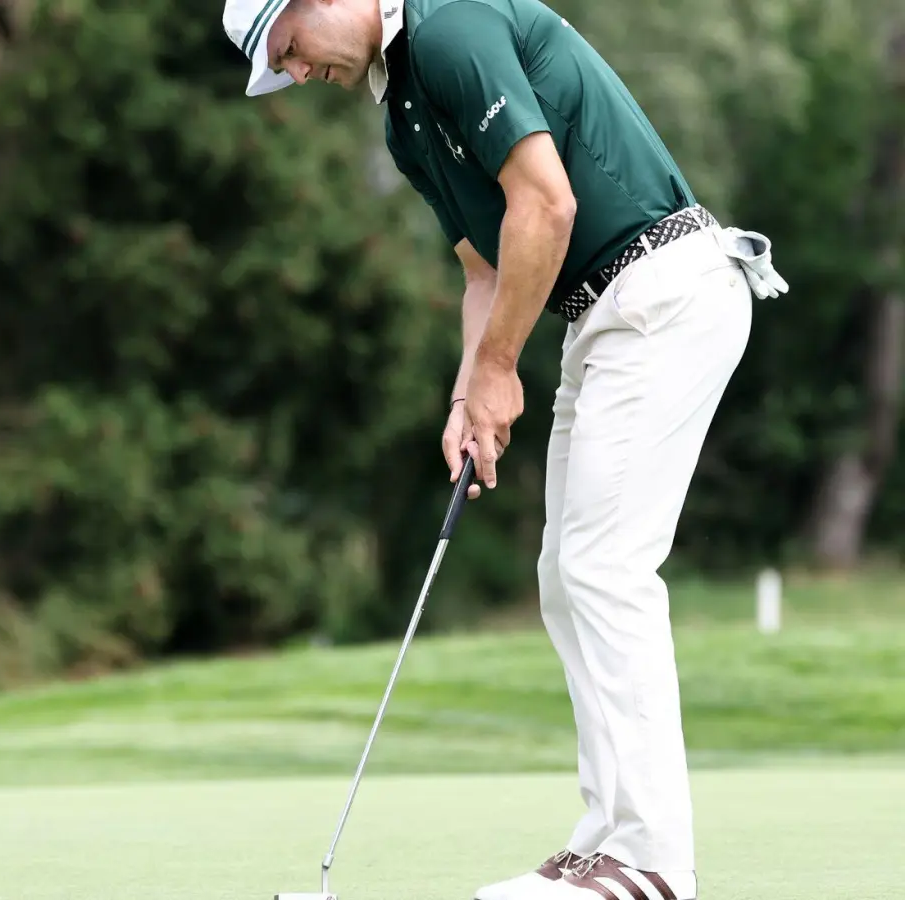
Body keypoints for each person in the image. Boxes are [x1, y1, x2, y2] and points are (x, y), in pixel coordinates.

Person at [220, 1, 789, 898]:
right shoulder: (403, 110)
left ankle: (650, 864)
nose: (295, 75)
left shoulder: (449, 23)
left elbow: (548, 203)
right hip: (602, 317)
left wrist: (499, 369)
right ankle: (606, 837)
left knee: (605, 569)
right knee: (566, 577)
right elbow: (484, 269)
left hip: (664, 289)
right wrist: (468, 393)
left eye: (287, 49)